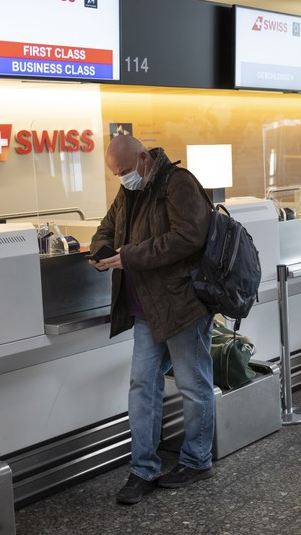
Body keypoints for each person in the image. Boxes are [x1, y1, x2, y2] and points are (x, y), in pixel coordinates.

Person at [89, 135, 215, 505]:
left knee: (193, 386)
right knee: (142, 388)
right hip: (146, 309)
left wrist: (130, 256)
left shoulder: (178, 183)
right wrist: (100, 249)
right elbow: (106, 228)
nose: (122, 178)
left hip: (182, 306)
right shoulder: (129, 191)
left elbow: (190, 236)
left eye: (125, 171)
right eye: (116, 174)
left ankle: (197, 460)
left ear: (144, 158)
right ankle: (142, 469)